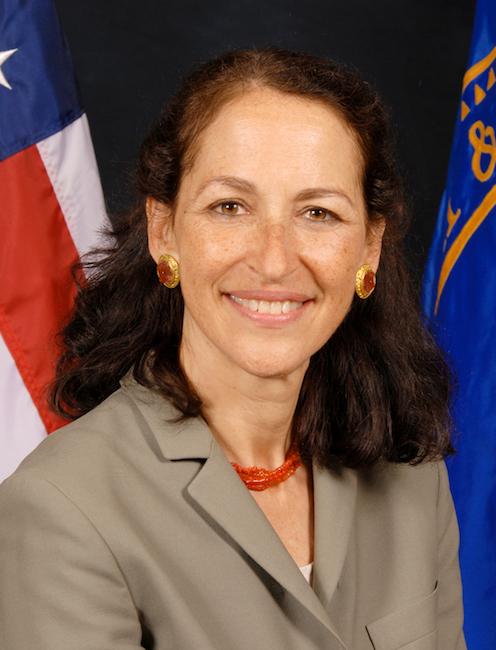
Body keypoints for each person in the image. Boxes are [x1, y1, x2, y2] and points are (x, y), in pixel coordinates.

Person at [0, 48, 466, 649]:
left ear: (369, 250)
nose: (274, 259)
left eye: (318, 212)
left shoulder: (412, 476)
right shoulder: (61, 509)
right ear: (164, 232)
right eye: (230, 207)